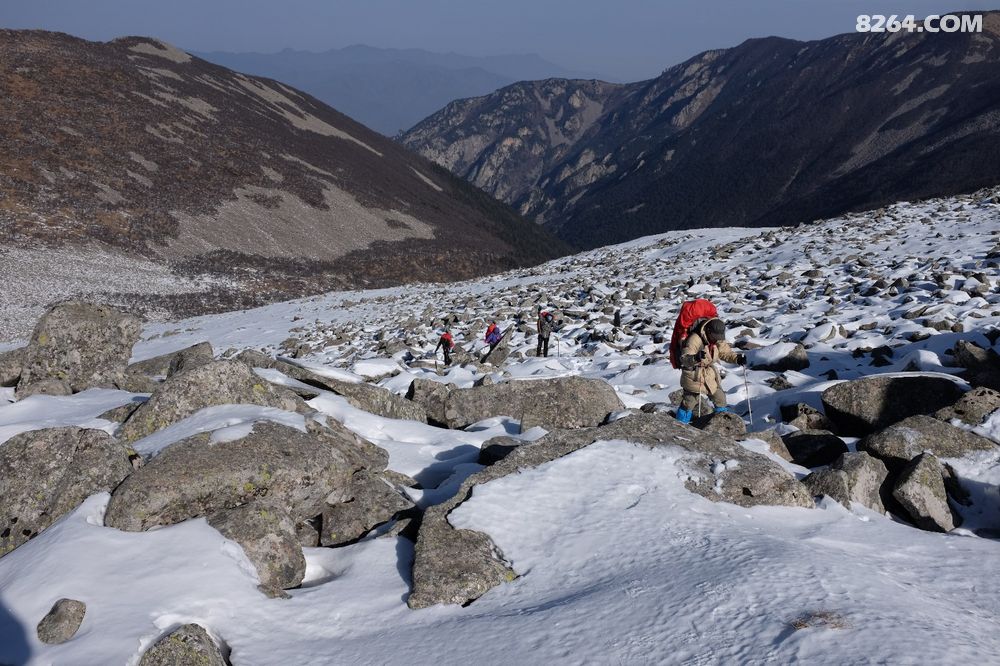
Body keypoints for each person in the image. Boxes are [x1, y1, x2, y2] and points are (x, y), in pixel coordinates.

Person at [676, 318, 746, 424]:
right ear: (708, 331)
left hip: (708, 374)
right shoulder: (694, 339)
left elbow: (724, 352)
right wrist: (695, 358)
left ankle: (721, 424)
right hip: (693, 374)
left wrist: (737, 358)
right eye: (715, 337)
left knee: (720, 398)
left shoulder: (716, 338)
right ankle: (680, 425)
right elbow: (684, 358)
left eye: (719, 337)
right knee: (689, 402)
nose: (717, 340)